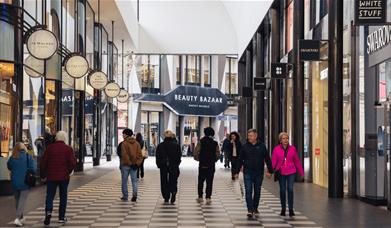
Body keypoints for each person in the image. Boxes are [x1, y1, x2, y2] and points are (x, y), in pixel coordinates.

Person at [40, 131, 76, 225]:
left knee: (50, 196)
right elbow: (72, 163)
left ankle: (48, 212)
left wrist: (43, 174)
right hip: (63, 176)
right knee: (63, 196)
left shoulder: (50, 148)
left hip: (51, 176)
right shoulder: (68, 149)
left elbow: (44, 162)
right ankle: (61, 217)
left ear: (56, 138)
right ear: (65, 138)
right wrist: (68, 171)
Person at [239, 129, 273, 218]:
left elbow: (267, 158)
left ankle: (255, 207)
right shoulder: (245, 146)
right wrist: (236, 171)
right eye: (248, 135)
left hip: (259, 173)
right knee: (248, 191)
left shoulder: (262, 146)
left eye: (251, 136)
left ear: (255, 136)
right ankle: (250, 209)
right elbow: (240, 159)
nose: (249, 137)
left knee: (257, 191)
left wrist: (270, 170)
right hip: (247, 172)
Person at [272, 132, 304, 217]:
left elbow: (297, 161)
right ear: (280, 140)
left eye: (287, 138)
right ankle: (283, 208)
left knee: (290, 189)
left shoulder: (293, 149)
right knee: (282, 190)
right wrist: (270, 170)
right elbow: (274, 161)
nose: (285, 140)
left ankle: (290, 209)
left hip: (291, 172)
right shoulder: (276, 149)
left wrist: (301, 172)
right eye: (283, 138)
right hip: (281, 172)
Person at [7, 142, 37, 227]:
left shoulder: (12, 157)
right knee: (22, 200)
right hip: (25, 182)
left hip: (14, 182)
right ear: (24, 148)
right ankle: (17, 218)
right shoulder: (28, 157)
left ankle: (20, 217)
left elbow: (9, 166)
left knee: (17, 199)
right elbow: (34, 169)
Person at [194, 127, 220, 205]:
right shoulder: (215, 143)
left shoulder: (200, 142)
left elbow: (196, 153)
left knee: (201, 181)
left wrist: (199, 159)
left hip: (202, 165)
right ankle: (208, 197)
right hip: (211, 165)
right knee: (209, 181)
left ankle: (200, 197)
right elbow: (218, 154)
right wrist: (214, 160)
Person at [156, 130, 182, 204]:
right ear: (171, 136)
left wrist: (159, 164)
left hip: (163, 165)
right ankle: (173, 191)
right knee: (173, 179)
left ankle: (166, 196)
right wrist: (177, 163)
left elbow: (158, 156)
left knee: (164, 180)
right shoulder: (176, 145)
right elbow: (179, 156)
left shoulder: (160, 145)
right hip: (173, 165)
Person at [119, 128, 143, 202]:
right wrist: (136, 164)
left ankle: (125, 196)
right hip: (135, 165)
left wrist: (130, 163)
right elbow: (140, 155)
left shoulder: (124, 143)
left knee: (124, 181)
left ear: (126, 134)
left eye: (123, 134)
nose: (123, 135)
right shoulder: (137, 143)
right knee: (134, 181)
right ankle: (134, 195)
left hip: (125, 165)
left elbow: (124, 155)